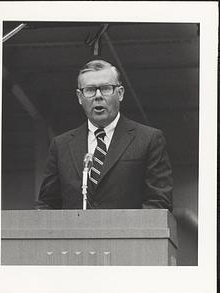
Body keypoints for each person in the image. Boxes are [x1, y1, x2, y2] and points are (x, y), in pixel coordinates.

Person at [37, 59, 173, 211]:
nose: (98, 96)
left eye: (106, 88)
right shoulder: (60, 146)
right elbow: (47, 205)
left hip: (128, 234)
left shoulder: (149, 139)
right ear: (79, 97)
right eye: (90, 90)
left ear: (120, 93)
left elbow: (159, 203)